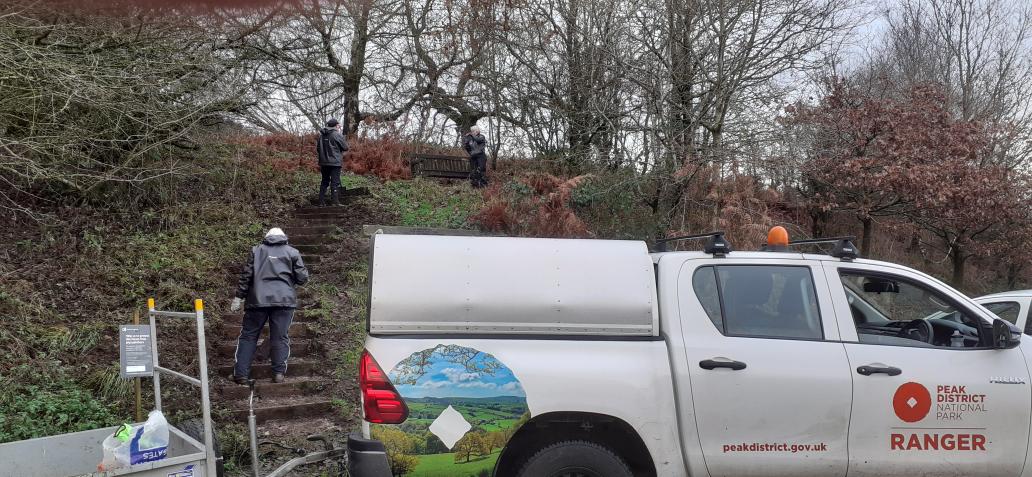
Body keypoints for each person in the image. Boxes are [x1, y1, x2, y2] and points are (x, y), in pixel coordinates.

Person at [230, 227, 309, 384]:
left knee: (248, 336)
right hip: (284, 302)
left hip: (257, 301)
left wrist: (238, 297)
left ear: (266, 237)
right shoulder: (292, 252)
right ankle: (278, 374)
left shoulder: (256, 250)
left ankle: (240, 374)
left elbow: (246, 276)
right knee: (280, 337)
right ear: (283, 237)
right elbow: (302, 278)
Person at [316, 118, 349, 206]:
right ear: (335, 125)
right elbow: (345, 147)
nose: (339, 127)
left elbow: (318, 149)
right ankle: (335, 202)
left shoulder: (321, 135)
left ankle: (321, 202)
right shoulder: (337, 134)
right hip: (335, 163)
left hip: (323, 163)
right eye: (338, 125)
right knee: (335, 182)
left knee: (324, 181)